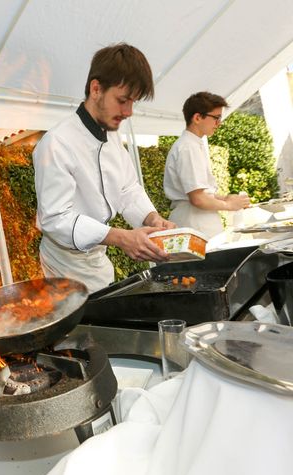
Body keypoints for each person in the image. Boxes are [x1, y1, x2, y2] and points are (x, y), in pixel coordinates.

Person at [33, 43, 175, 293]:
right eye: (122, 100)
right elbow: (55, 218)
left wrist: (152, 218)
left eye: (133, 102)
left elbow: (128, 189)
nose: (129, 112)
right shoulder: (57, 143)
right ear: (96, 88)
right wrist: (120, 237)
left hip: (97, 259)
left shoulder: (111, 138)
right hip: (64, 268)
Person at [163, 92, 250, 239]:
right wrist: (229, 206)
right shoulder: (188, 147)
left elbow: (202, 193)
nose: (219, 123)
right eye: (216, 117)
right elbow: (197, 199)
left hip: (198, 221)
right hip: (195, 223)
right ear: (197, 118)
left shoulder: (193, 144)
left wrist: (226, 199)